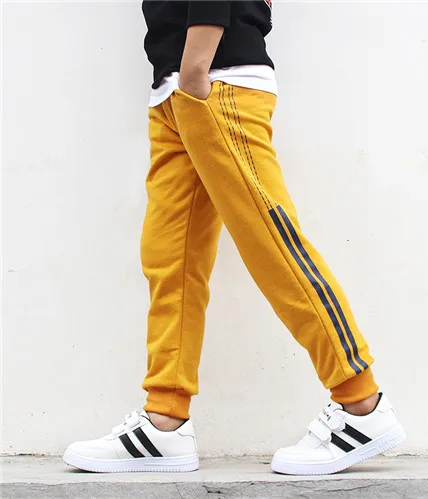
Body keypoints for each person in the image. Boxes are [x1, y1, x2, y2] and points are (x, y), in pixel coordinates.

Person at [63, 0, 405, 475]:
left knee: (273, 246)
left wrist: (196, 70)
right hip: (176, 89)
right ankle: (165, 420)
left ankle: (360, 404)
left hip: (216, 80)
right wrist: (183, 79)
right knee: (170, 258)